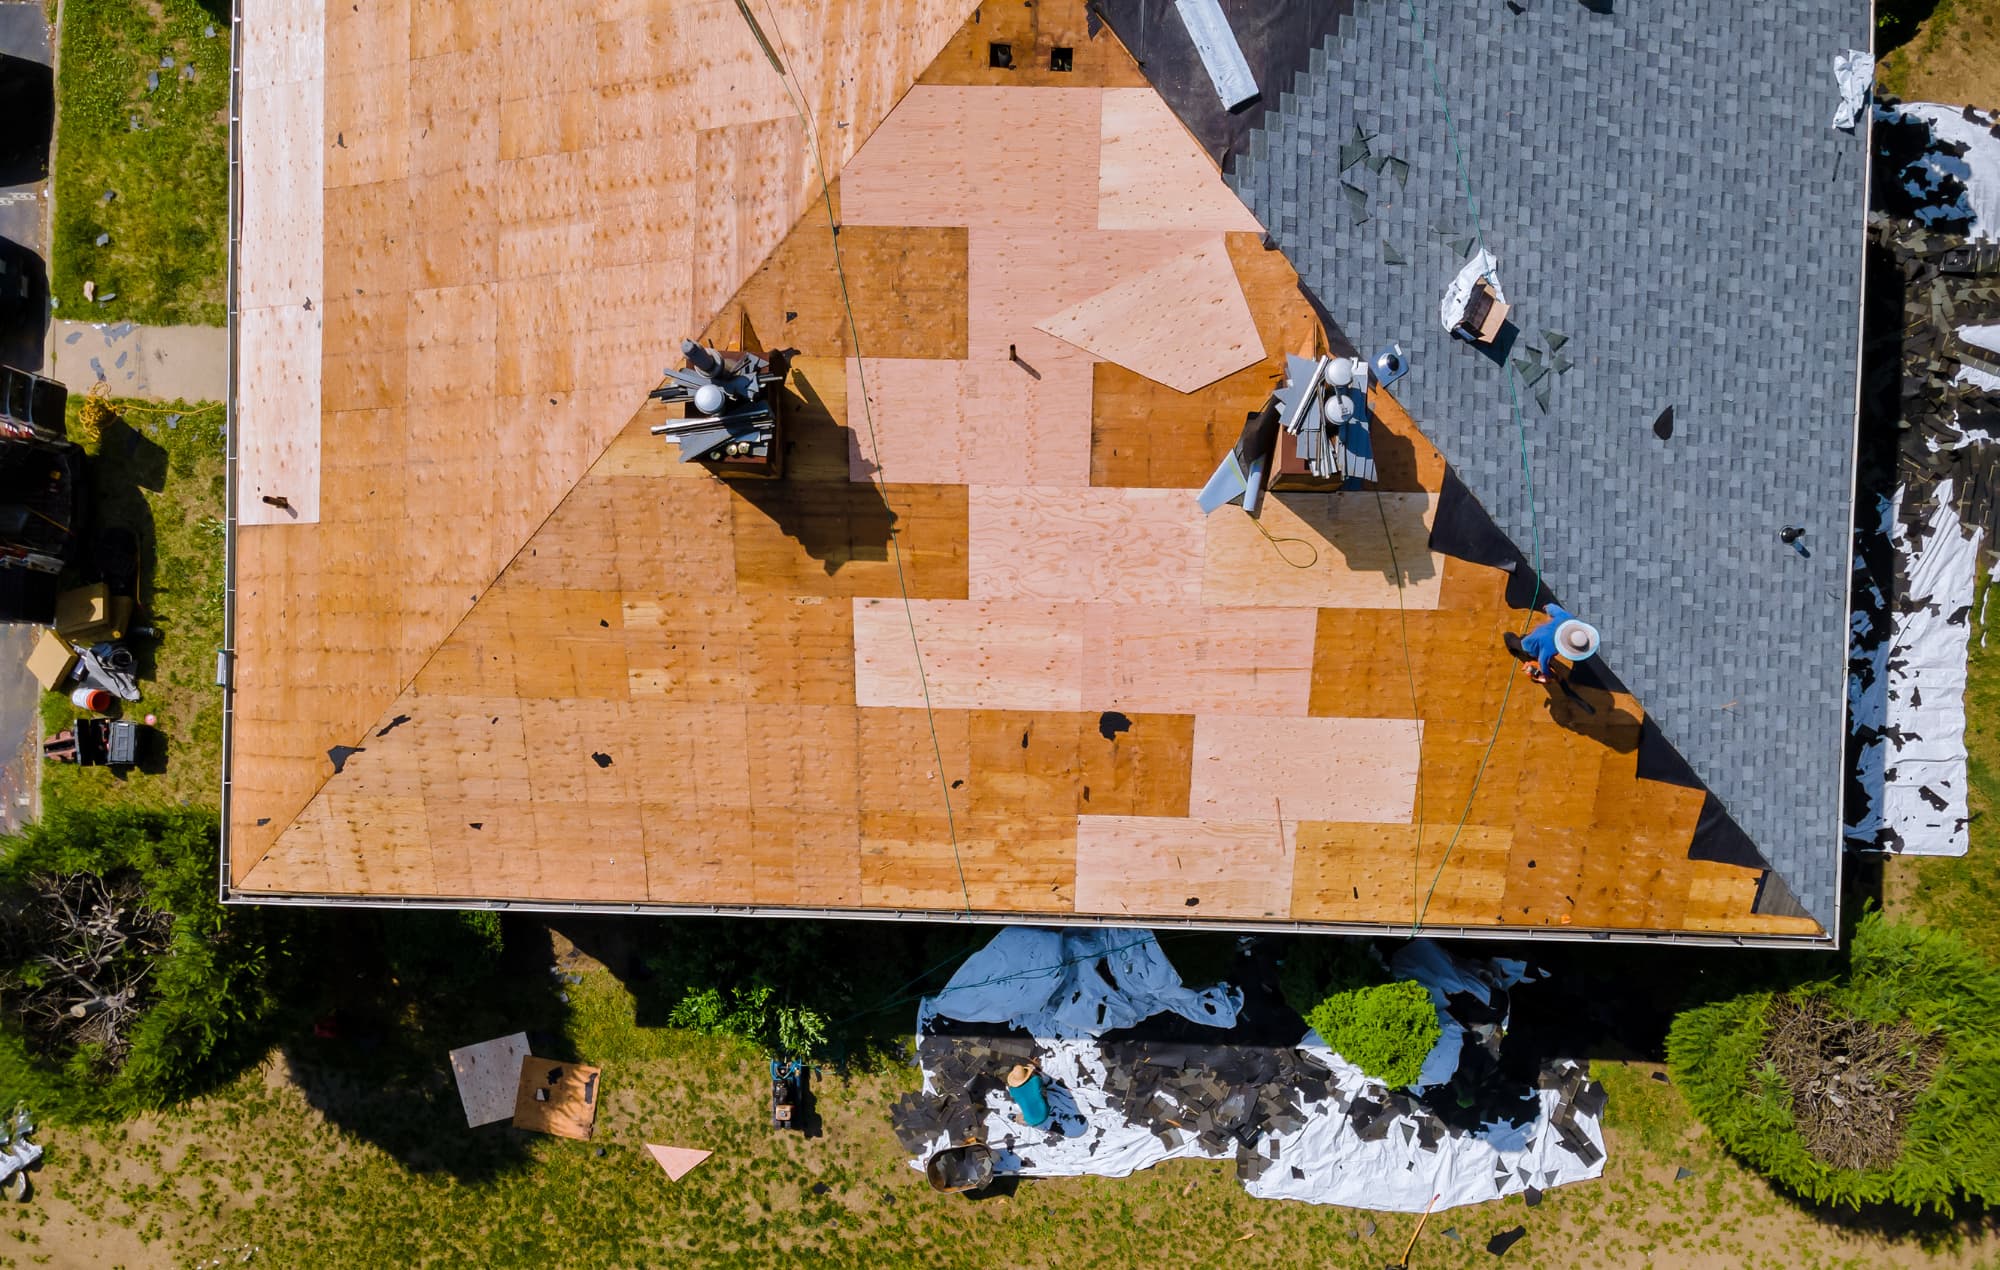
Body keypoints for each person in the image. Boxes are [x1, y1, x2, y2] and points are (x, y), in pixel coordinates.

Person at [1518, 603, 1601, 684]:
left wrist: (1546, 608)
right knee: (1513, 641)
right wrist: (1546, 675)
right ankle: (1510, 641)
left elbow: (1550, 607)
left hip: (1538, 633)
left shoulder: (1568, 617)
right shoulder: (1551, 648)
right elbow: (1542, 661)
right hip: (1530, 646)